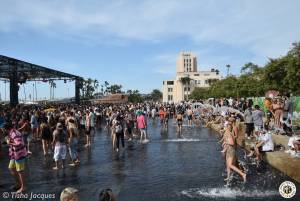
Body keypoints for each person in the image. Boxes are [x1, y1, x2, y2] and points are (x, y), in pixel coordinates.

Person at [3, 122, 27, 193]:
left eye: (3, 129)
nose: (2, 130)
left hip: (19, 153)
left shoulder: (14, 133)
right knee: (11, 168)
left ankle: (23, 187)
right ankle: (19, 184)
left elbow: (19, 143)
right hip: (14, 154)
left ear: (6, 128)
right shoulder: (11, 132)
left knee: (20, 171)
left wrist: (9, 143)